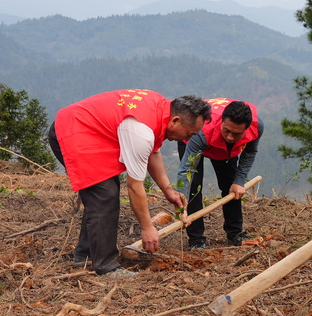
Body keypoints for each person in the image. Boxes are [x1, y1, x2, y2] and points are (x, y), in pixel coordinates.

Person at [47, 90, 211, 278]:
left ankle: (85, 254)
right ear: (175, 120)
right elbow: (134, 186)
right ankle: (106, 265)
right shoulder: (141, 131)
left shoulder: (160, 109)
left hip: (88, 131)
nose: (187, 139)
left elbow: (153, 152)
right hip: (74, 131)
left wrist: (168, 190)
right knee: (104, 195)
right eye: (189, 133)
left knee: (104, 193)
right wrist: (147, 227)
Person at [175, 98, 264, 249]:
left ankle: (235, 233)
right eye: (227, 130)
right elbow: (186, 170)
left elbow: (250, 152)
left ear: (246, 129)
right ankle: (196, 239)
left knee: (231, 185)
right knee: (194, 187)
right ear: (222, 121)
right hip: (197, 142)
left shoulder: (256, 126)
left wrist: (240, 180)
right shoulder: (201, 131)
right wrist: (181, 205)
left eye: (236, 133)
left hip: (225, 151)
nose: (230, 137)